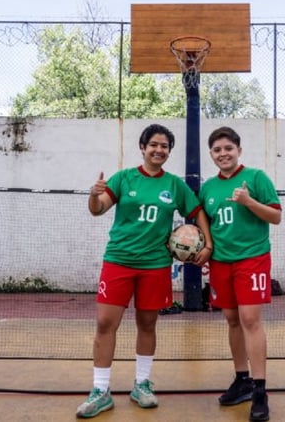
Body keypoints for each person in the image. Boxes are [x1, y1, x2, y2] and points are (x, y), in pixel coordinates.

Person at [76, 124, 212, 419]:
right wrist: (93, 194)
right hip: (119, 261)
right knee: (104, 324)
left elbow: (197, 210)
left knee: (147, 324)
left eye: (165, 146)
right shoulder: (124, 178)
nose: (159, 150)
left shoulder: (174, 185)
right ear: (142, 147)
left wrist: (208, 244)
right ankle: (100, 390)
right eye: (154, 144)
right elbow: (98, 209)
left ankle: (142, 384)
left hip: (155, 265)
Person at [199, 126, 281, 422]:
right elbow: (204, 221)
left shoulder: (256, 178)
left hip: (252, 260)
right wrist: (205, 246)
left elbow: (276, 216)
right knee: (232, 320)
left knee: (250, 320)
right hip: (221, 262)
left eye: (228, 148)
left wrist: (249, 202)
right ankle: (242, 379)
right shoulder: (208, 187)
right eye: (217, 150)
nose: (223, 154)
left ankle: (260, 392)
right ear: (211, 155)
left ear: (239, 150)